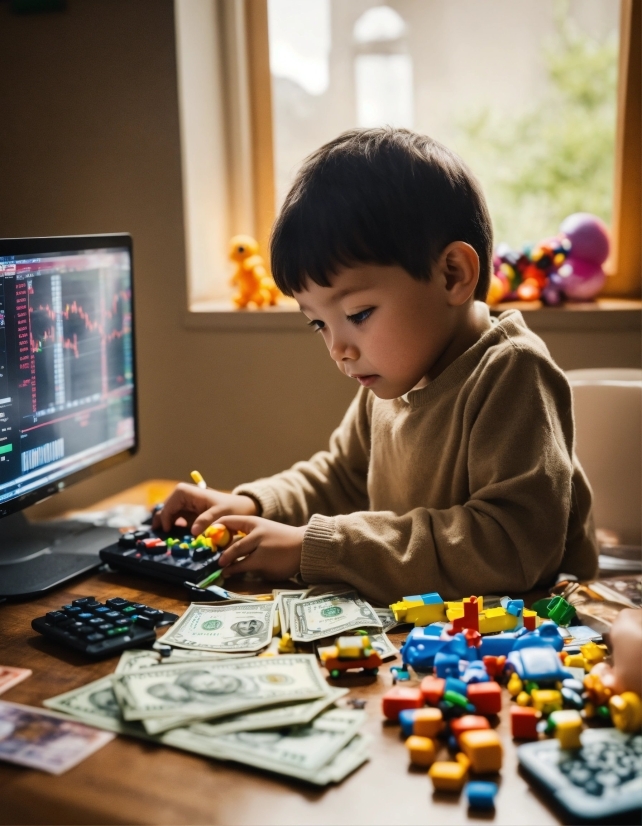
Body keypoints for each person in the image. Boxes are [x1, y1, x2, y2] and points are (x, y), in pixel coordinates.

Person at [155, 127, 598, 605]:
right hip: (429, 623)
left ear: (453, 274)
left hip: (539, 635)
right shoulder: (392, 375)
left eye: (358, 315)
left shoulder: (512, 373)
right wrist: (252, 503)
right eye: (318, 325)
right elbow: (340, 477)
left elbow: (510, 547)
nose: (338, 349)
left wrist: (320, 546)